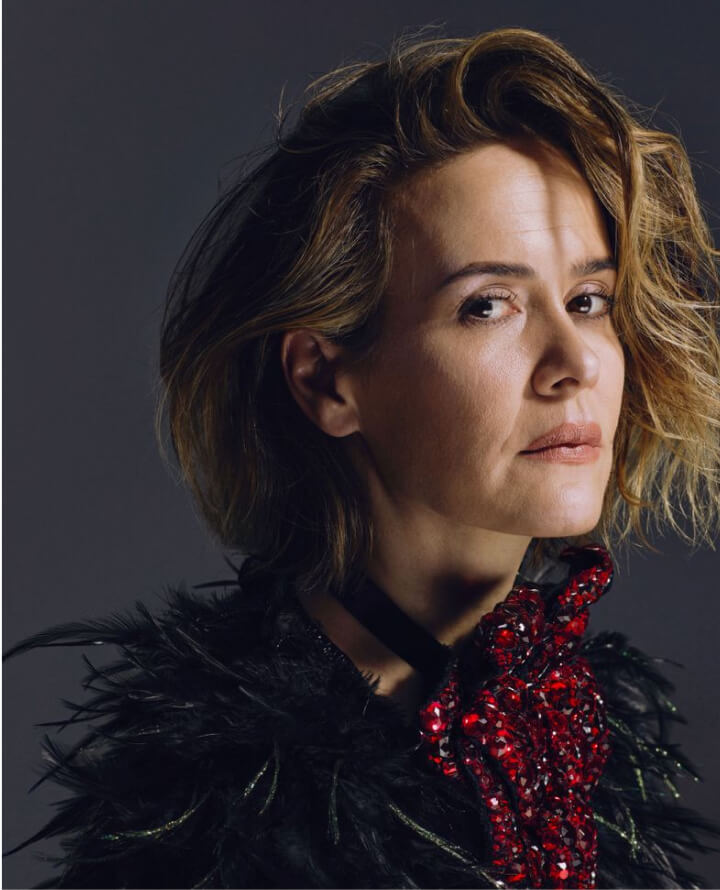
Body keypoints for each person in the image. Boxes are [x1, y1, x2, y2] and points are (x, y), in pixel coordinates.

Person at [4, 26, 720, 889]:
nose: (575, 364)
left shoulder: (574, 739)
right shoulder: (228, 826)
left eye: (589, 299)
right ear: (325, 381)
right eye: (488, 305)